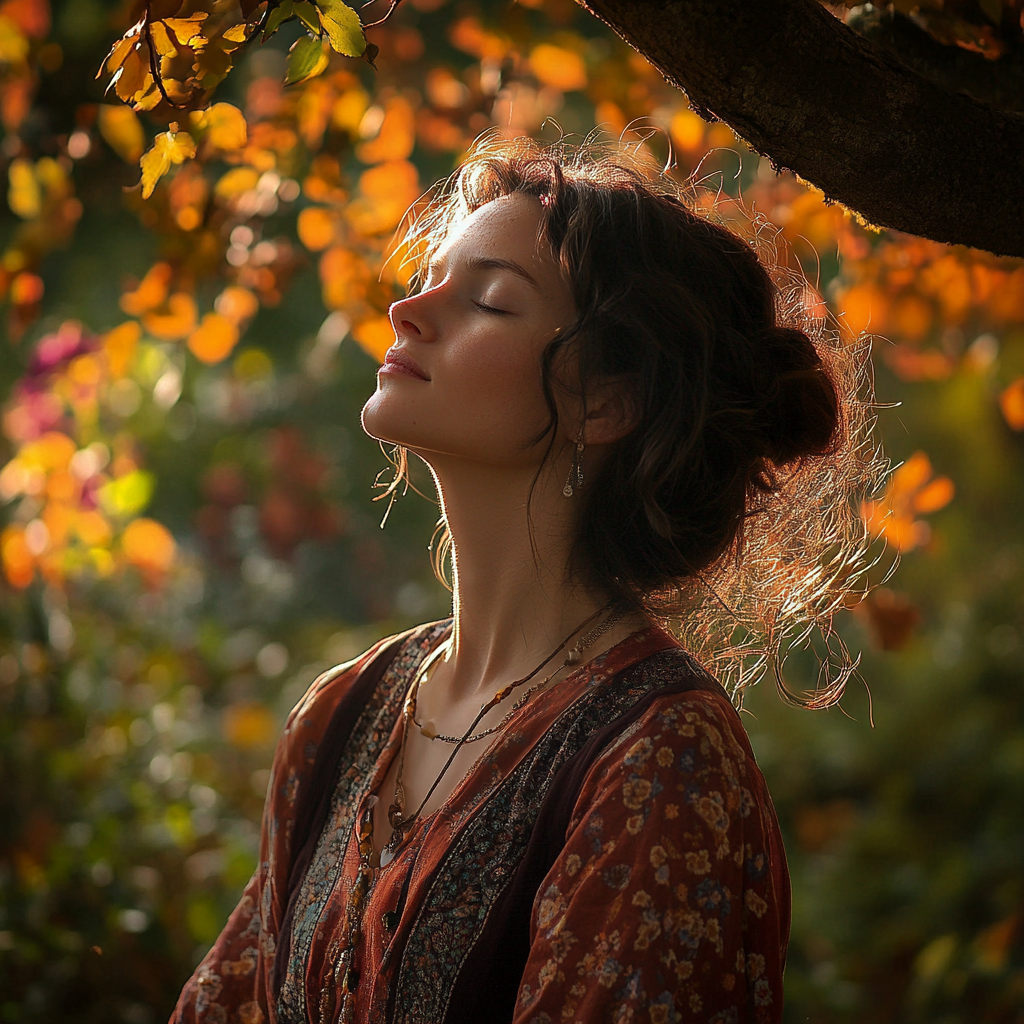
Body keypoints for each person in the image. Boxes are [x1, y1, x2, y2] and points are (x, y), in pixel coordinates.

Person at [170, 136, 877, 1024]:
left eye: (490, 302)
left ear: (604, 403)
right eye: (429, 276)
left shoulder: (657, 757)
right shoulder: (344, 713)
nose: (406, 309)